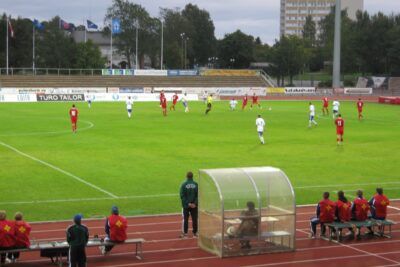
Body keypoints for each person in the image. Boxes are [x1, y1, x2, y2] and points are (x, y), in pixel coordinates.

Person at [179, 171, 198, 238]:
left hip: (186, 206)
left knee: (185, 219)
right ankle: (195, 233)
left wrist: (188, 203)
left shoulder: (183, 184)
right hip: (194, 206)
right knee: (195, 219)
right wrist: (194, 203)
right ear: (192, 176)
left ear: (186, 176)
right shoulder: (196, 184)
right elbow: (198, 195)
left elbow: (182, 195)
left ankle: (185, 233)